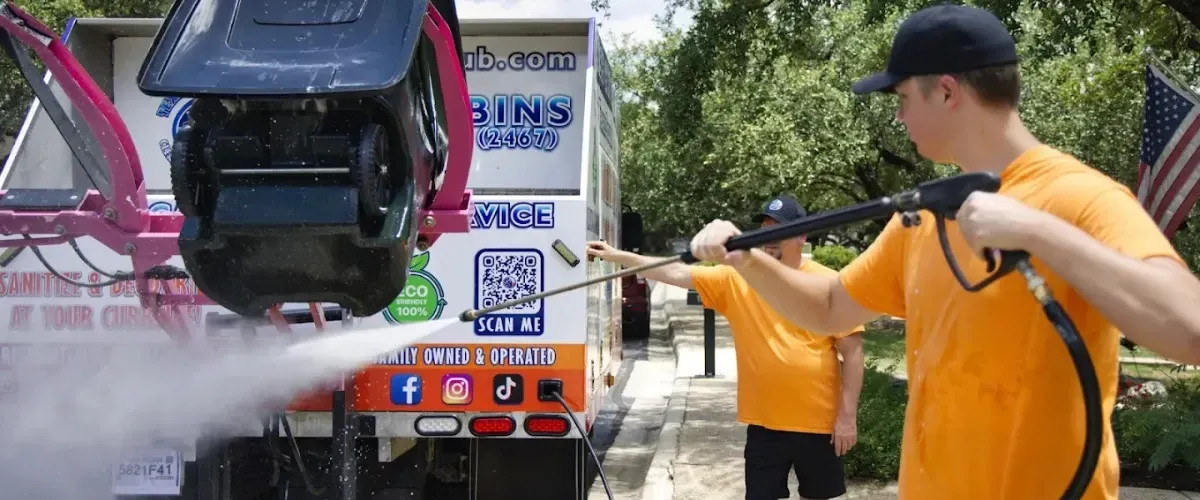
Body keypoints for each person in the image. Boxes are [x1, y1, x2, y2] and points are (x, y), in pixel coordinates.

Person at [688, 4, 1200, 500]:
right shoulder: (925, 215)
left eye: (903, 97)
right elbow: (828, 308)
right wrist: (747, 261)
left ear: (948, 91)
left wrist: (1042, 233)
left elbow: (1190, 327)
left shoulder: (1080, 197)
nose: (897, 116)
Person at [588, 195, 865, 500]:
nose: (768, 240)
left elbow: (852, 353)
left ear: (801, 235)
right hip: (764, 425)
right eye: (764, 231)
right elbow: (675, 272)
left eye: (778, 231)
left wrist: (847, 418)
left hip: (819, 425)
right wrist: (618, 256)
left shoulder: (828, 284)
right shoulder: (737, 279)